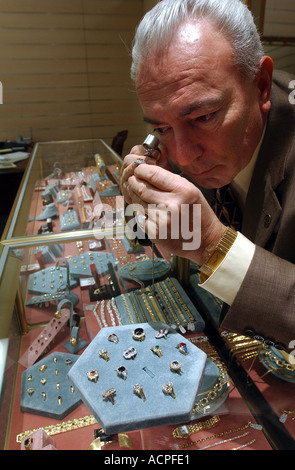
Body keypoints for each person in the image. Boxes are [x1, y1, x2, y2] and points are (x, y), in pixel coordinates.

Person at [119, 0, 295, 351]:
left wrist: (213, 246)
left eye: (202, 117)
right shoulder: (174, 145)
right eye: (161, 127)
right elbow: (139, 241)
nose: (184, 156)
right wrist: (139, 200)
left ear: (260, 85)